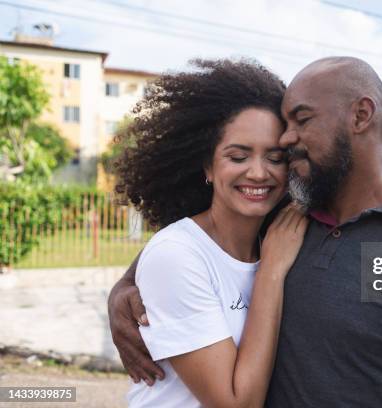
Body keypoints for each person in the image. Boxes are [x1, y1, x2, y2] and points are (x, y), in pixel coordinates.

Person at [109, 57, 382, 407]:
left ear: (361, 115)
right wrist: (125, 289)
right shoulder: (285, 227)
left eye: (301, 120)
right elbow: (191, 246)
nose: (287, 139)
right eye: (284, 124)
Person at [113, 58, 308, 407]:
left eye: (275, 158)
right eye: (238, 157)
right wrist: (273, 271)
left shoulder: (281, 237)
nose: (259, 173)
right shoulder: (178, 254)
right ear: (207, 165)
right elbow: (236, 404)